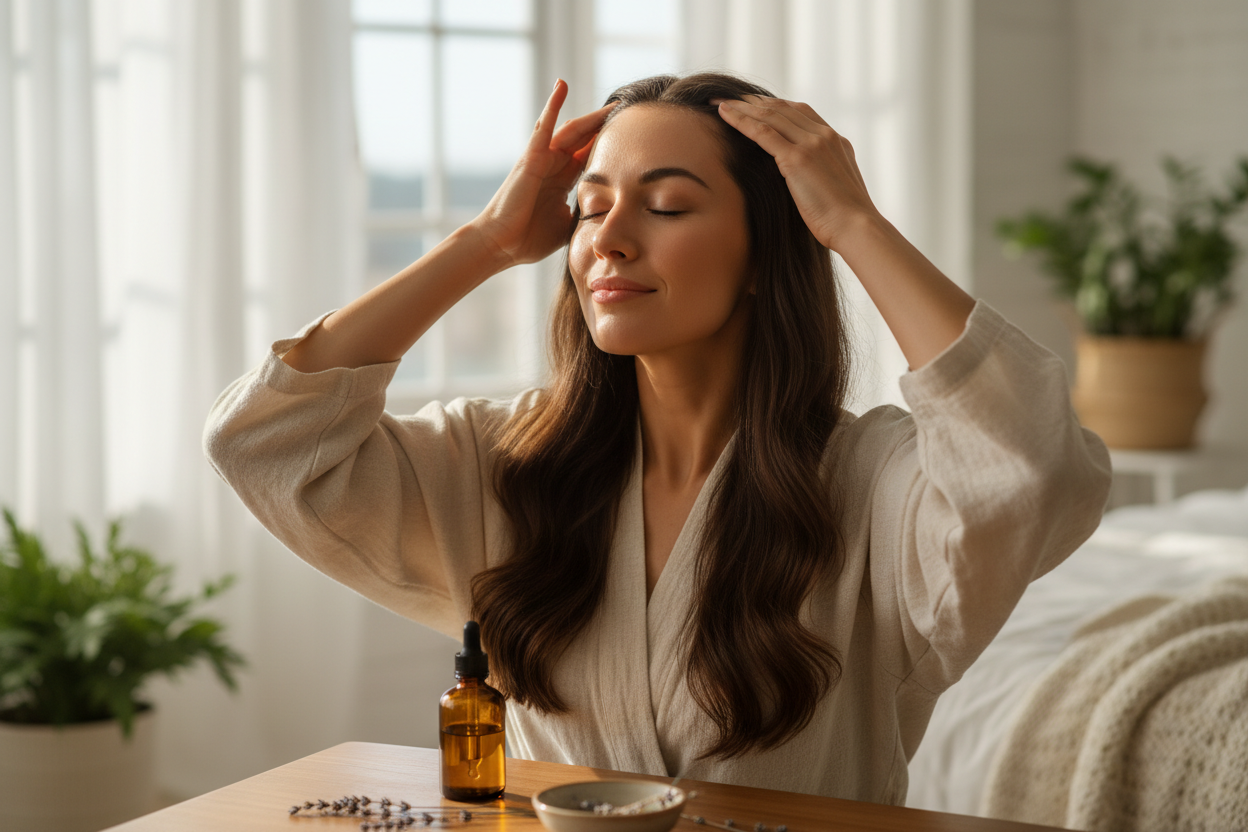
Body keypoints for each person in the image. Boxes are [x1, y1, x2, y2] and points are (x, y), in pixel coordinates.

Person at [204, 72, 1111, 804]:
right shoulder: (506, 462)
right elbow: (264, 441)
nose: (612, 240)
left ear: (765, 254)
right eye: (591, 209)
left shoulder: (871, 483)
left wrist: (852, 225)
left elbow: (1027, 467)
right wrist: (485, 240)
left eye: (667, 206)